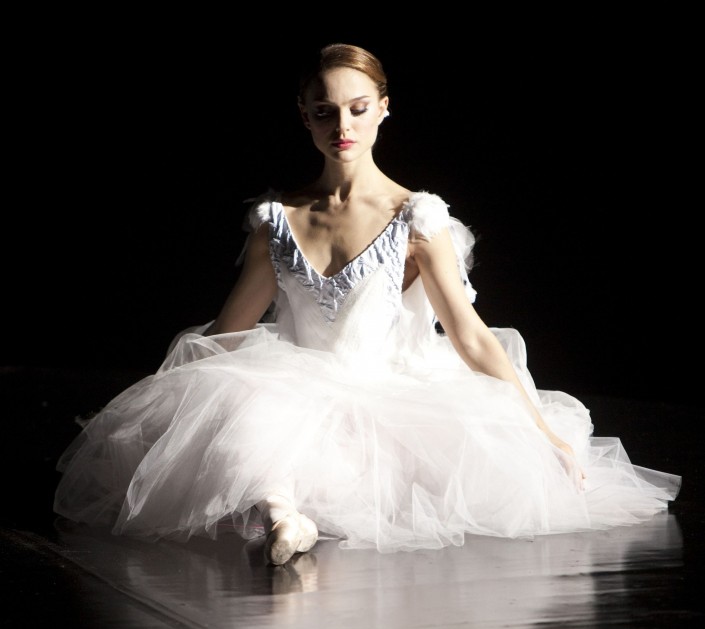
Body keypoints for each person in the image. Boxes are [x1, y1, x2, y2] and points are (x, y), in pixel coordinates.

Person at [54, 43, 681, 566]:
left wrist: (541, 431)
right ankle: (283, 515)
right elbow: (227, 333)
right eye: (324, 112)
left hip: (389, 396)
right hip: (294, 389)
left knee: (282, 426)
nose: (342, 127)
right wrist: (162, 413)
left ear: (384, 108)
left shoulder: (415, 218)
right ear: (304, 117)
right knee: (247, 408)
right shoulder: (279, 221)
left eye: (357, 109)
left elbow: (470, 336)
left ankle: (283, 512)